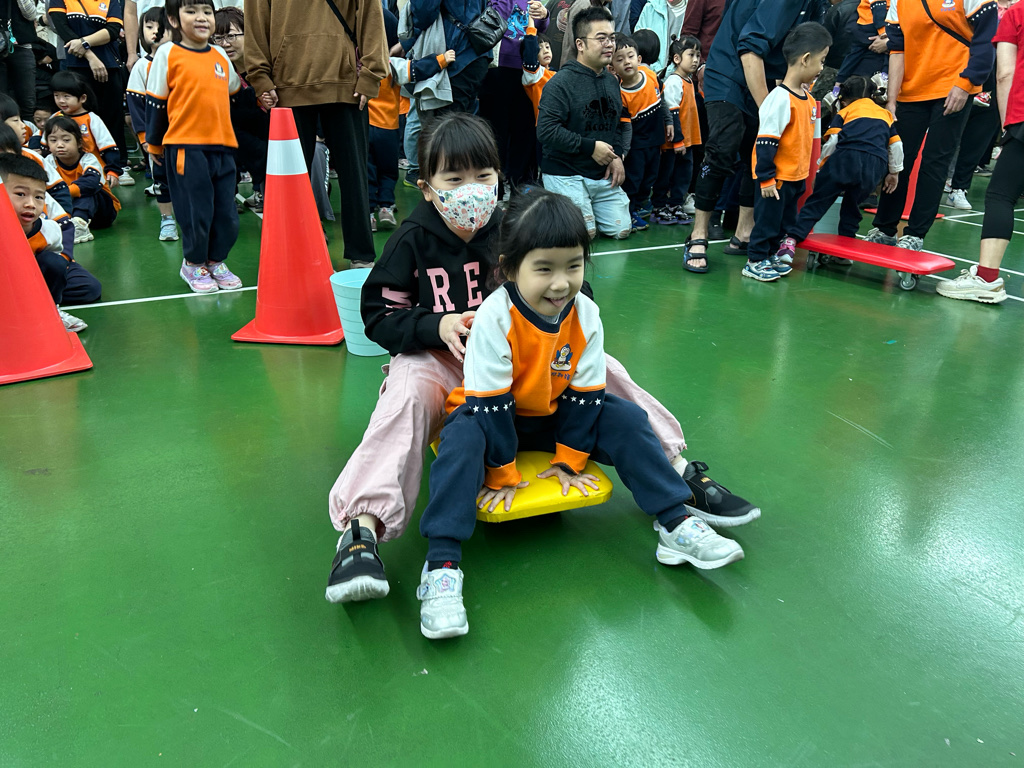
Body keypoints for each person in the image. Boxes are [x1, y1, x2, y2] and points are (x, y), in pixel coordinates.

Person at [325, 111, 759, 605]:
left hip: (525, 356)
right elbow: (379, 315)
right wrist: (435, 325)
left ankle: (676, 469)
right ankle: (361, 530)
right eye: (454, 179)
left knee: (606, 370)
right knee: (405, 394)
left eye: (483, 176)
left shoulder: (513, 228)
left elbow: (572, 290)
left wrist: (552, 308)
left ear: (498, 177)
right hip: (443, 359)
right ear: (427, 188)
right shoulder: (410, 240)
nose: (471, 190)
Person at [415, 188, 745, 640]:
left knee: (627, 419)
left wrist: (569, 461)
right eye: (544, 268)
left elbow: (586, 395)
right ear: (509, 268)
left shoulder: (585, 313)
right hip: (492, 417)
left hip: (549, 416)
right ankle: (441, 567)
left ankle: (675, 522)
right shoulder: (494, 317)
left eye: (573, 266)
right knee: (461, 439)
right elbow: (491, 405)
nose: (560, 283)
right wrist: (501, 472)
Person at [683, 0, 824, 273]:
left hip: (765, 72)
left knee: (757, 150)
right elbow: (750, 49)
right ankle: (698, 234)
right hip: (730, 69)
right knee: (722, 148)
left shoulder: (816, 5)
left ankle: (744, 231)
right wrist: (770, 112)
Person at [245, 0, 387, 269]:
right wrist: (260, 77)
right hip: (287, 87)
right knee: (287, 181)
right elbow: (255, 21)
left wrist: (371, 74)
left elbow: (370, 13)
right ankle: (294, 251)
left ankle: (361, 254)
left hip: (346, 84)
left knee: (354, 176)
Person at [864, 0, 997, 251]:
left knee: (935, 162)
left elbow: (985, 41)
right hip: (911, 90)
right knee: (898, 159)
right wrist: (891, 100)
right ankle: (884, 228)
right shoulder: (899, 2)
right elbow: (897, 49)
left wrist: (966, 84)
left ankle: (915, 234)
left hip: (953, 87)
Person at [146, 0, 242, 294]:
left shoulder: (219, 55)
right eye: (191, 11)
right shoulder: (168, 53)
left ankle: (215, 261)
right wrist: (154, 145)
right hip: (185, 147)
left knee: (226, 213)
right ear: (174, 19)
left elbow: (233, 91)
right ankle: (193, 263)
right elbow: (156, 104)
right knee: (196, 210)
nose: (201, 18)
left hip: (223, 146)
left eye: (207, 12)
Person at [937, 0, 1023, 304]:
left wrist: (1007, 124)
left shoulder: (1017, 12)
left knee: (1001, 196)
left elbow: (1004, 73)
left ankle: (986, 279)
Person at [775, 75, 903, 263]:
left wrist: (821, 168)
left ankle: (790, 242)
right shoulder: (885, 115)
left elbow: (833, 141)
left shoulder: (846, 111)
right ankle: (844, 252)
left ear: (844, 99)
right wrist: (894, 172)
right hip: (875, 165)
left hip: (846, 158)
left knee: (817, 202)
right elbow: (896, 145)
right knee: (853, 207)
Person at [744, 22, 830, 282]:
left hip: (794, 178)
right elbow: (766, 142)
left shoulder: (806, 98)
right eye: (821, 61)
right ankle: (755, 260)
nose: (822, 68)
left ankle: (770, 255)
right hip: (776, 179)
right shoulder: (779, 99)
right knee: (767, 222)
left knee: (783, 223)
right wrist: (766, 178)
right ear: (805, 59)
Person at [539, 5, 631, 240]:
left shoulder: (612, 81)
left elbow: (617, 124)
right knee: (583, 234)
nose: (609, 44)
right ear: (580, 44)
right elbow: (546, 131)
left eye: (612, 38)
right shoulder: (560, 83)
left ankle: (584, 206)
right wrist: (590, 147)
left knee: (621, 230)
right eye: (601, 38)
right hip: (565, 173)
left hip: (600, 175)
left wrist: (616, 155)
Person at [0, 152, 100, 331]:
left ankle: (52, 310)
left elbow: (55, 266)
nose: (31, 204)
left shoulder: (49, 230)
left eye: (39, 197)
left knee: (56, 263)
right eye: (20, 194)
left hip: (27, 279)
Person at [46, 0, 131, 183]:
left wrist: (84, 43)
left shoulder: (111, 1)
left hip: (108, 64)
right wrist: (90, 55)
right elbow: (62, 27)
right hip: (74, 65)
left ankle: (118, 167)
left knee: (112, 117)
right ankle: (75, 166)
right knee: (74, 117)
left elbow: (113, 29)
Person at [479, 0, 550, 194]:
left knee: (524, 130)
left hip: (526, 69)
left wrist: (544, 15)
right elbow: (493, 18)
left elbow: (540, 29)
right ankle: (495, 184)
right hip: (497, 67)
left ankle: (519, 183)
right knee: (496, 130)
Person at [125, 5, 178, 241]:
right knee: (162, 180)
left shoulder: (184, 61)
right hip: (158, 140)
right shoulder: (141, 66)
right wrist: (146, 140)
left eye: (162, 27)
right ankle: (167, 220)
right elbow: (136, 106)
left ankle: (191, 219)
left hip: (186, 136)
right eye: (149, 27)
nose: (156, 32)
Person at [212, 6, 268, 215]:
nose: (225, 44)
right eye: (218, 38)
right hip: (236, 135)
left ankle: (262, 190)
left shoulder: (265, 66)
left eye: (231, 36)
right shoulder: (217, 72)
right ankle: (228, 195)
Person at [611, 34, 669, 231]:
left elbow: (662, 101)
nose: (627, 62)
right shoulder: (620, 94)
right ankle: (630, 211)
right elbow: (626, 127)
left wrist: (669, 122)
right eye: (620, 59)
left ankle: (641, 204)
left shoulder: (651, 76)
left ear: (639, 58)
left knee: (650, 177)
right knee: (633, 180)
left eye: (630, 56)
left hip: (656, 141)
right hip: (637, 147)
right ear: (613, 67)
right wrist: (625, 151)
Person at [44, 114, 120, 242]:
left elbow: (91, 182)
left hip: (102, 212)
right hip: (69, 208)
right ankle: (65, 224)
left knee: (88, 190)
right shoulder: (48, 162)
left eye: (66, 140)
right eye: (53, 140)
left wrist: (63, 192)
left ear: (79, 143)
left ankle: (80, 224)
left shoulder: (88, 159)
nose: (59, 145)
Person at [652, 34, 700, 225]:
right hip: (675, 142)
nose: (696, 60)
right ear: (677, 58)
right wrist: (678, 140)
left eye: (698, 55)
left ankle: (675, 204)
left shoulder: (689, 81)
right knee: (667, 174)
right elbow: (672, 113)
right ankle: (659, 206)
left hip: (687, 141)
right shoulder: (674, 81)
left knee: (683, 174)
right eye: (691, 55)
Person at [0, 0, 39, 120]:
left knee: (27, 101)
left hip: (22, 47)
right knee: (2, 103)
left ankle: (27, 129)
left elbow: (31, 15)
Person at [633, 0, 685, 73]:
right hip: (650, 73)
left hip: (681, 75)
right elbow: (637, 45)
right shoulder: (650, 8)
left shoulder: (692, 10)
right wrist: (654, 69)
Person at [521, 22, 555, 125]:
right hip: (546, 125)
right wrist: (531, 20)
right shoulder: (534, 74)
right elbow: (530, 49)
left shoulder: (556, 73)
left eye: (547, 47)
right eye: (539, 48)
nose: (545, 51)